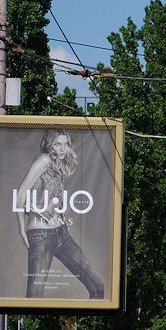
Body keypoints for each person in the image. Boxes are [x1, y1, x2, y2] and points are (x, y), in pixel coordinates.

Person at [16, 128, 105, 299]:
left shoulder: (59, 164)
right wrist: (21, 227)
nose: (63, 149)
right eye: (58, 144)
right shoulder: (43, 160)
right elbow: (21, 193)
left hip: (60, 232)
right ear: (50, 145)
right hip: (41, 234)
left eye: (65, 144)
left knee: (97, 285)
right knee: (34, 297)